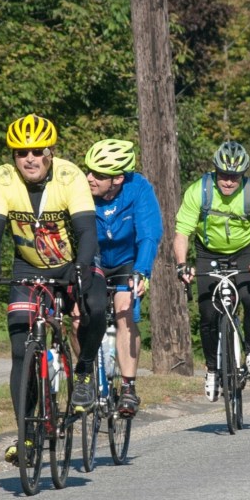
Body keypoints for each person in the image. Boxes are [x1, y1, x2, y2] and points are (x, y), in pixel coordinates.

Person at [0, 113, 106, 464]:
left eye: (37, 151)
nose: (29, 158)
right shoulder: (1, 180)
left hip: (73, 262)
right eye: (21, 153)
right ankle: (27, 435)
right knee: (22, 350)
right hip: (28, 267)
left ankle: (83, 372)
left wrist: (81, 267)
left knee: (96, 307)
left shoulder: (70, 176)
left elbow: (86, 232)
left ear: (50, 152)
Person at [173, 140, 250, 402]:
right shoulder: (199, 191)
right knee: (208, 313)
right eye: (224, 176)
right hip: (209, 253)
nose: (229, 182)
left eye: (234, 177)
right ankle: (211, 368)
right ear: (215, 172)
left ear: (243, 175)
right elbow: (182, 232)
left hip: (244, 252)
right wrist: (183, 263)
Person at [82, 137, 163, 417]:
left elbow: (149, 234)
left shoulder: (138, 189)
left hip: (127, 262)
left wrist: (142, 271)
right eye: (88, 170)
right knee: (77, 315)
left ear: (117, 178)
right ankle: (85, 376)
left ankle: (128, 387)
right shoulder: (81, 190)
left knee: (124, 311)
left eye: (98, 174)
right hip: (92, 261)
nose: (89, 178)